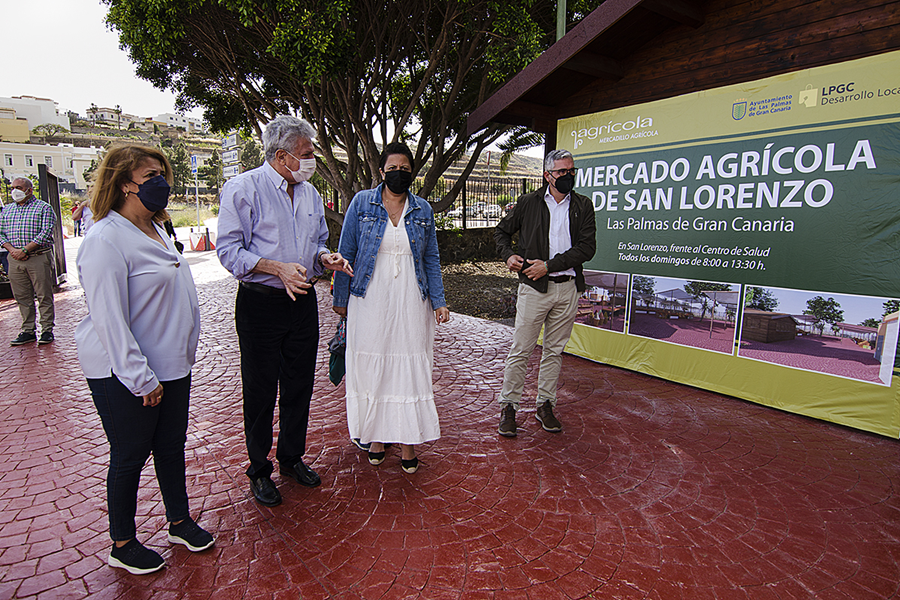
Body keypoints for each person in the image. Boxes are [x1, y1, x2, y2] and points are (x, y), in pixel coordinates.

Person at [75, 145, 214, 575]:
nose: (162, 183)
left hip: (172, 364)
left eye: (163, 174)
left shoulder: (155, 227)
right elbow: (109, 319)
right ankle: (122, 541)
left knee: (170, 447)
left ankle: (178, 521)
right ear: (124, 184)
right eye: (151, 175)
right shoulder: (104, 239)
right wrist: (140, 377)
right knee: (130, 453)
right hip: (127, 371)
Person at [217, 115, 352, 507]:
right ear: (282, 155)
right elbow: (228, 251)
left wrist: (326, 258)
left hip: (303, 301)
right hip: (261, 302)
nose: (312, 161)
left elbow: (315, 244)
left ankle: (291, 458)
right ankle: (258, 469)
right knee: (259, 390)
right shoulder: (244, 189)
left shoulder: (309, 193)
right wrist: (275, 267)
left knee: (299, 385)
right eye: (307, 154)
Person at [333, 142, 449, 474]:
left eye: (405, 168)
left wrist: (439, 301)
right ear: (381, 172)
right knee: (374, 366)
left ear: (412, 172)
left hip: (412, 299)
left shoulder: (423, 209)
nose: (399, 173)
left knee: (411, 367)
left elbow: (431, 258)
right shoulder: (361, 203)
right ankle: (378, 438)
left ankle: (409, 441)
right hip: (370, 297)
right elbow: (347, 251)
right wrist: (341, 301)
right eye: (392, 168)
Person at [494, 149, 597, 437]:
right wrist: (508, 256)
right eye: (562, 172)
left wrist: (549, 266)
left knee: (554, 352)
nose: (569, 176)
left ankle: (545, 405)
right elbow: (501, 233)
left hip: (567, 289)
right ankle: (509, 407)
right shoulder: (529, 203)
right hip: (533, 289)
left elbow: (587, 249)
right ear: (547, 175)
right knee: (521, 350)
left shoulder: (583, 206)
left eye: (572, 170)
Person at [0, 177, 56, 346]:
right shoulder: (7, 210)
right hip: (15, 259)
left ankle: (47, 329)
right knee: (22, 296)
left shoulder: (43, 208)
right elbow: (1, 233)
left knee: (43, 294)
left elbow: (46, 231)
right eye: (13, 187)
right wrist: (13, 250)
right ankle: (28, 330)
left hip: (38, 256)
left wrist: (25, 250)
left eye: (18, 187)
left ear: (29, 190)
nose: (14, 190)